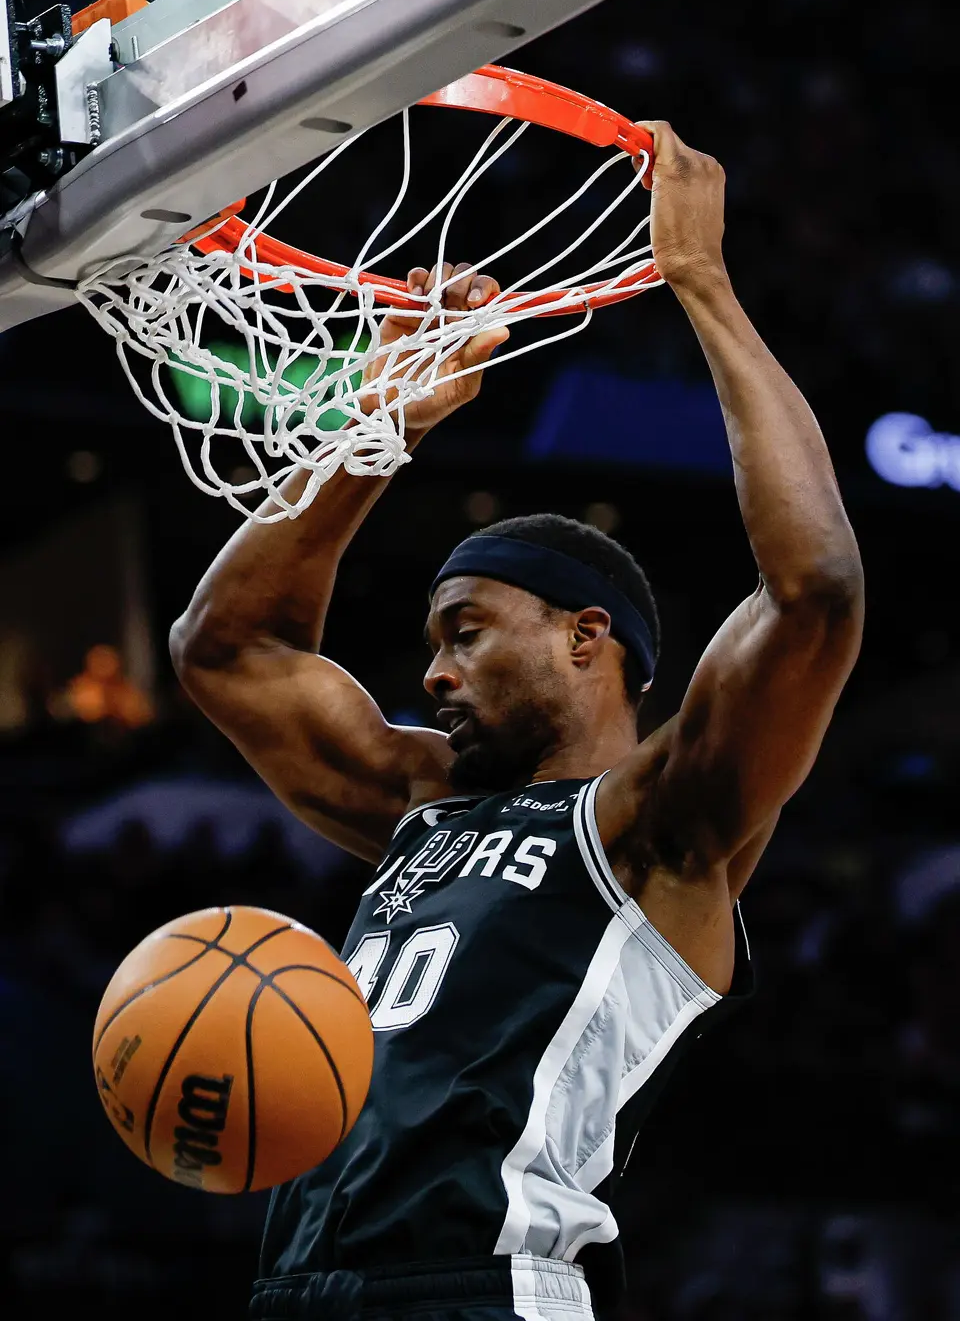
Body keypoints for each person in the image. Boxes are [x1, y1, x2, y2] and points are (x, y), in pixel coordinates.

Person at [170, 122, 864, 1321]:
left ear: (587, 640)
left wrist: (701, 284)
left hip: (490, 1288)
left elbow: (816, 594)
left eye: (467, 632)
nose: (432, 672)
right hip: (295, 1287)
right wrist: (389, 415)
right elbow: (224, 648)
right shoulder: (419, 802)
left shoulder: (655, 830)